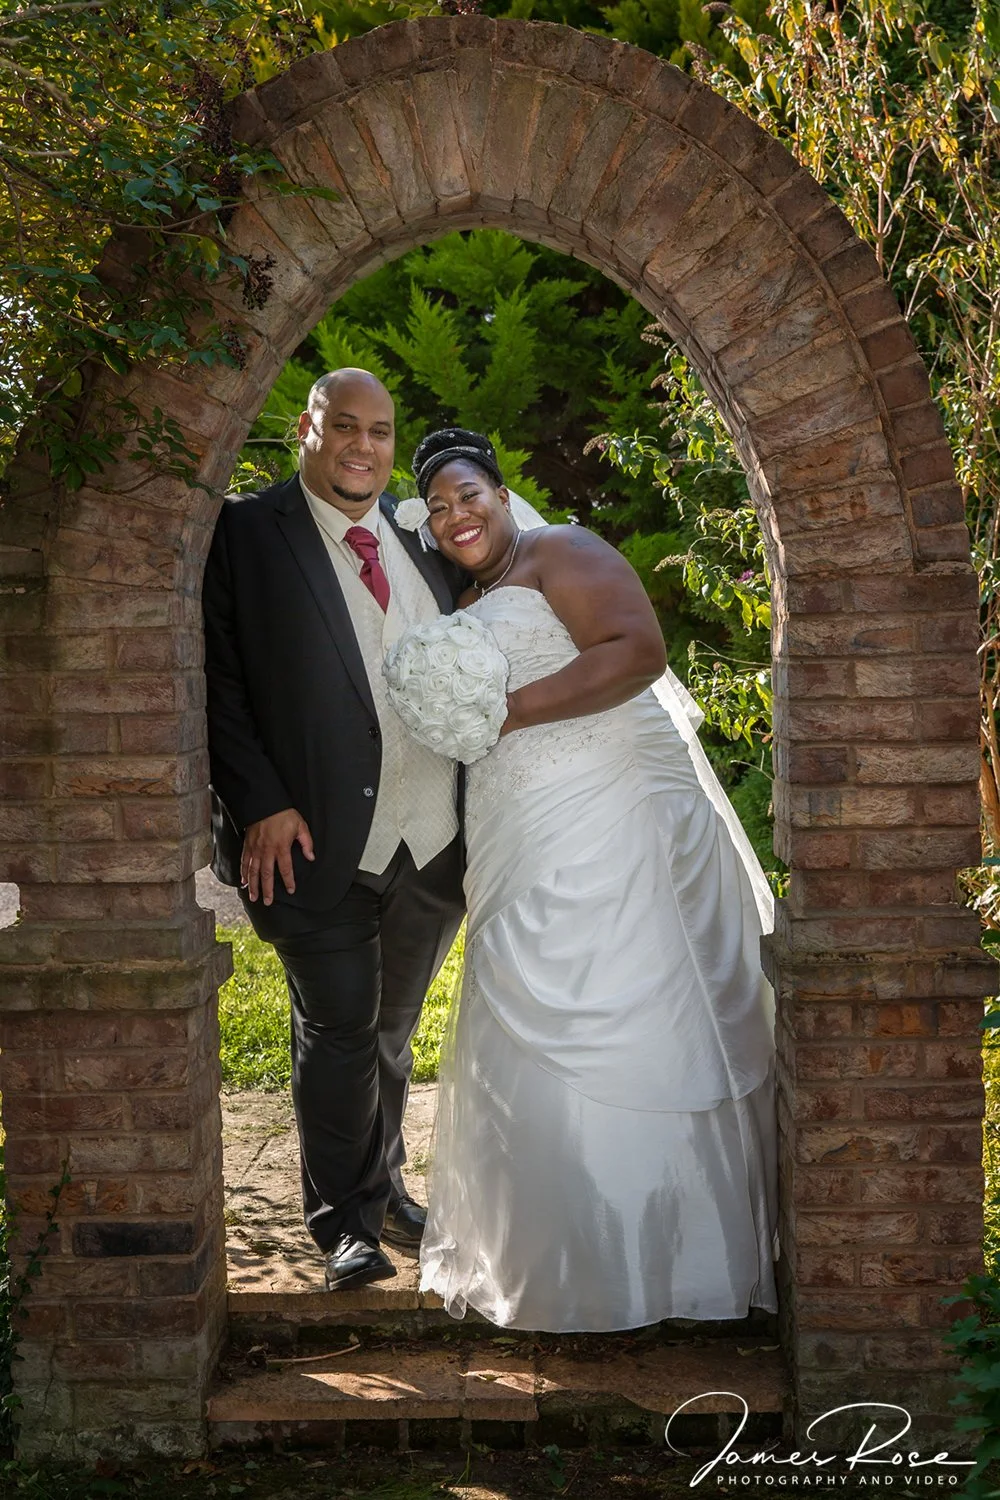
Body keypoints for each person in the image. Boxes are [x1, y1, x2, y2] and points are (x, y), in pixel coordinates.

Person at [409, 428, 779, 1331]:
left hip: (611, 804)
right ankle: (557, 1257)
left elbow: (636, 650)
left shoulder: (560, 550)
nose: (456, 515)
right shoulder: (473, 591)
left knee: (631, 991)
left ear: (501, 494)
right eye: (439, 508)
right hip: (516, 815)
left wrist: (506, 712)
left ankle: (662, 1256)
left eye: (468, 495)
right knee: (517, 984)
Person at [202, 371, 465, 1292]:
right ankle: (344, 1225)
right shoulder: (245, 533)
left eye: (381, 432)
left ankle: (383, 1183)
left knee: (391, 1029)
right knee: (341, 1026)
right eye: (343, 426)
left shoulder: (420, 536)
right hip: (309, 838)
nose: (363, 446)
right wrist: (258, 800)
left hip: (430, 841)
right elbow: (220, 685)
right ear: (304, 430)